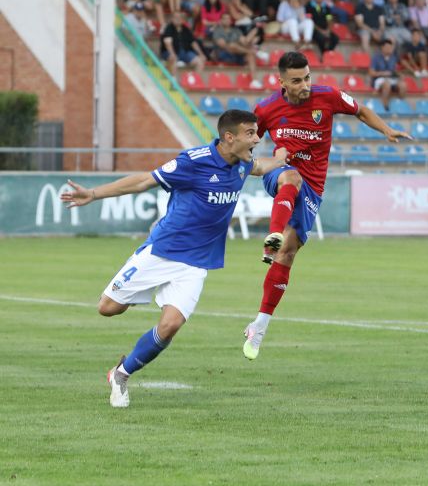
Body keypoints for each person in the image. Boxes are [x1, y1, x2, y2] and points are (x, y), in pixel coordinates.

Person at [59, 110, 288, 407]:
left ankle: (121, 373)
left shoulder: (242, 164)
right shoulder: (192, 161)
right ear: (229, 137)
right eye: (251, 134)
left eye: (258, 133)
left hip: (196, 264)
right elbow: (144, 181)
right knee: (107, 308)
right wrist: (93, 193)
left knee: (170, 326)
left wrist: (282, 159)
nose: (257, 138)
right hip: (162, 251)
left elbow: (260, 166)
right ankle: (136, 292)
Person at [243, 52, 411, 359]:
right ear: (281, 81)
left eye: (307, 77)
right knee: (289, 176)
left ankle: (259, 326)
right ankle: (273, 235)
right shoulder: (266, 108)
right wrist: (251, 162)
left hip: (313, 187)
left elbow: (361, 111)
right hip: (280, 175)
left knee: (289, 254)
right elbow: (248, 142)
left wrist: (386, 130)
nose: (305, 85)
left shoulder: (328, 97)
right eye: (296, 80)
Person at [212, 13, 263, 89]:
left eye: (228, 19)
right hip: (224, 55)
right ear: (221, 20)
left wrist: (254, 32)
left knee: (250, 55)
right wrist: (239, 47)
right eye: (225, 19)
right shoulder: (217, 31)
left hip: (238, 53)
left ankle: (254, 81)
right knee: (232, 45)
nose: (227, 20)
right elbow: (224, 45)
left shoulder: (236, 30)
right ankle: (253, 52)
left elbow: (244, 41)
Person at [160, 11, 206, 76]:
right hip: (169, 52)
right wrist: (172, 54)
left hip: (185, 52)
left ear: (182, 20)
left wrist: (201, 54)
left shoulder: (186, 29)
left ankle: (194, 81)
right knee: (173, 58)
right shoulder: (168, 28)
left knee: (200, 61)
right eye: (175, 17)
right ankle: (173, 83)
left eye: (179, 17)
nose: (178, 19)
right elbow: (168, 43)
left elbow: (193, 43)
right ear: (172, 19)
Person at [369, 39, 407, 111]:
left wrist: (399, 74)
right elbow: (371, 72)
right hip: (379, 79)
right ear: (382, 48)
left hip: (391, 78)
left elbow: (394, 70)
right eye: (387, 47)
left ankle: (399, 104)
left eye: (390, 47)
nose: (389, 49)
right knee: (387, 84)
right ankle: (385, 106)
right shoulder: (376, 58)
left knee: (403, 85)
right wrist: (383, 73)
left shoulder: (393, 58)